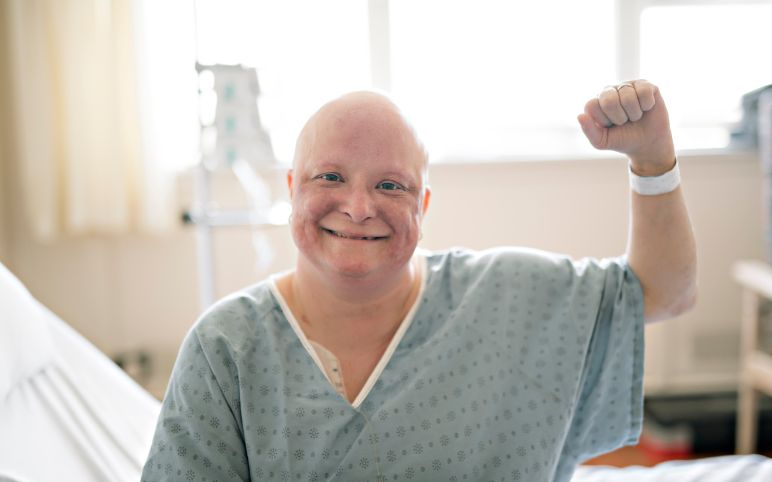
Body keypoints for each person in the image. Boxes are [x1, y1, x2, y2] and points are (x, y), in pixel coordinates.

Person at [142, 80, 697, 482]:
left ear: (424, 205)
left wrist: (653, 162)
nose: (359, 208)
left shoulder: (510, 299)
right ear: (292, 188)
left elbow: (663, 292)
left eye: (391, 186)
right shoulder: (226, 350)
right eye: (330, 177)